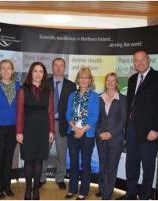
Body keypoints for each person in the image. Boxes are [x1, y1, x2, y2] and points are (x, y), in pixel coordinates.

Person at [118, 50, 158, 200]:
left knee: (147, 167)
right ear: (134, 63)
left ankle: (145, 196)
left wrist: (156, 129)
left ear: (149, 60)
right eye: (136, 60)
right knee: (131, 164)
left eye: (142, 60)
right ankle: (131, 194)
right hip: (132, 129)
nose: (139, 63)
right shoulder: (133, 78)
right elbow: (131, 104)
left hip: (149, 131)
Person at [16, 61, 55, 200]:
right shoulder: (23, 89)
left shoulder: (48, 90)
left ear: (44, 74)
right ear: (31, 73)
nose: (38, 74)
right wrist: (19, 132)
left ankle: (36, 189)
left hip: (43, 130)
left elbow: (50, 112)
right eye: (35, 71)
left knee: (39, 161)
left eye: (41, 71)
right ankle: (28, 189)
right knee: (28, 160)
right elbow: (20, 112)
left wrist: (52, 130)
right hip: (27, 130)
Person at [39, 58, 76, 190]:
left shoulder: (71, 86)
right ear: (52, 67)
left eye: (61, 66)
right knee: (44, 153)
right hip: (46, 124)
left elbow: (72, 107)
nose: (58, 68)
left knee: (62, 154)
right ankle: (41, 178)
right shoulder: (44, 84)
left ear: (64, 68)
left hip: (63, 124)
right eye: (56, 65)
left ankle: (60, 178)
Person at [65, 67, 99, 200]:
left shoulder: (94, 96)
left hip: (87, 135)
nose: (83, 80)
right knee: (73, 163)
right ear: (78, 79)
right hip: (72, 133)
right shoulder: (72, 95)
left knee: (85, 163)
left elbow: (95, 116)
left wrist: (82, 130)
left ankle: (83, 191)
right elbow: (68, 113)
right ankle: (72, 189)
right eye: (81, 77)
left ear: (90, 80)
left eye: (86, 77)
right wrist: (74, 127)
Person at [0, 59, 20, 199]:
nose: (6, 71)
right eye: (3, 68)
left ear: (12, 70)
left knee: (8, 159)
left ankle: (7, 186)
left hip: (13, 128)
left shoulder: (18, 86)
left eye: (8, 68)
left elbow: (21, 109)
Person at [95, 72, 127, 200]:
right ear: (105, 82)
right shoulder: (98, 98)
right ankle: (102, 189)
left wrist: (111, 133)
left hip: (116, 138)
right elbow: (95, 118)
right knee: (102, 165)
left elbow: (123, 121)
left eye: (113, 80)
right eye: (108, 80)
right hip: (101, 137)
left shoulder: (123, 99)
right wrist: (99, 133)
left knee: (111, 167)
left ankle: (107, 195)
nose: (110, 82)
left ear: (116, 83)